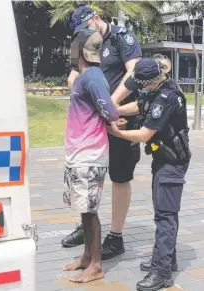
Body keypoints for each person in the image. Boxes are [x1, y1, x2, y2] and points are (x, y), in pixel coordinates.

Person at [62, 6, 143, 260]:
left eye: (87, 28)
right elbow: (73, 76)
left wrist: (110, 103)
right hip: (96, 120)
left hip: (120, 117)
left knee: (120, 175)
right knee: (89, 173)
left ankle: (116, 236)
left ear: (96, 19)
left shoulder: (122, 37)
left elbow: (135, 72)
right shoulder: (83, 42)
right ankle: (88, 226)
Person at [107, 57, 191, 291]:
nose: (139, 89)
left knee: (165, 216)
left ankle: (162, 272)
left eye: (141, 85)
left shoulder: (167, 98)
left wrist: (115, 133)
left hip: (172, 163)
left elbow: (144, 134)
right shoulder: (159, 88)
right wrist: (113, 110)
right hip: (164, 159)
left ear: (152, 81)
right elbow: (139, 105)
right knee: (164, 213)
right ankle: (167, 260)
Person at [63, 29, 119, 283]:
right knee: (84, 209)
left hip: (90, 153)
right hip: (79, 153)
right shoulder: (86, 77)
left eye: (73, 47)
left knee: (90, 210)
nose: (70, 52)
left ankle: (96, 265)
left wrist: (111, 117)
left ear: (81, 51)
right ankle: (87, 256)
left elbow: (111, 111)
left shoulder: (93, 77)